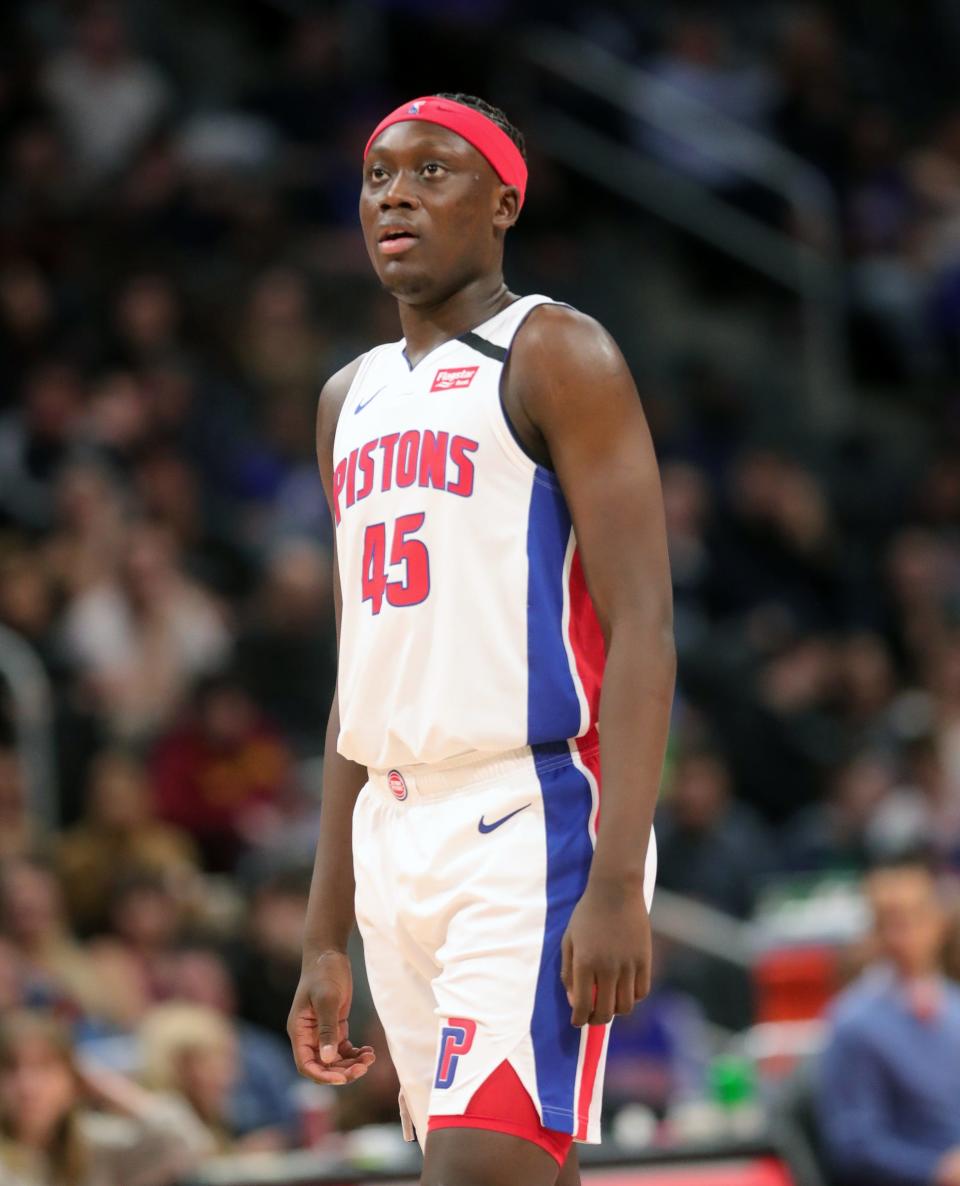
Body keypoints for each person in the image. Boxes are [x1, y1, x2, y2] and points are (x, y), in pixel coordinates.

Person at [287, 93, 675, 1186]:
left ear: (504, 201)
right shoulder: (345, 398)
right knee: (515, 1171)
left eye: (431, 172)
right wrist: (325, 931)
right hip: (394, 832)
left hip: (531, 813)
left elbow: (645, 625)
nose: (396, 193)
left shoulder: (557, 352)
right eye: (376, 176)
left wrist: (613, 882)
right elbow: (356, 679)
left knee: (475, 1171)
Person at [818, 859, 960, 1186]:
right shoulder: (854, 1023)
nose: (907, 935)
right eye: (892, 922)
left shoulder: (954, 1005)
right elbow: (854, 1147)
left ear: (939, 923)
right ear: (875, 933)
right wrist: (937, 1171)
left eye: (918, 917)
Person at [0, 1008, 212, 1186]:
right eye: (10, 1069)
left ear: (74, 1079)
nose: (27, 1086)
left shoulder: (96, 1145)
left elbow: (189, 1144)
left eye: (45, 1068)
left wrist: (107, 1087)